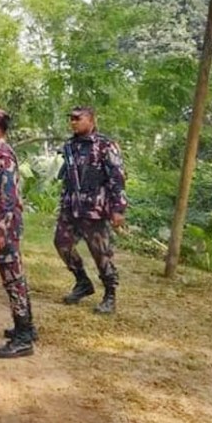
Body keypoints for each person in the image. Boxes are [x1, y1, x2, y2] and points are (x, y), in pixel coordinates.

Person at [54, 106, 127, 314]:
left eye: (78, 118)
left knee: (100, 253)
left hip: (94, 209)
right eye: (71, 118)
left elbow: (117, 177)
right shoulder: (70, 146)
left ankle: (110, 294)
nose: (73, 122)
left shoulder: (105, 145)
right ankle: (83, 283)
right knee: (62, 243)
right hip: (71, 207)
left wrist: (118, 208)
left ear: (91, 120)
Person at [0, 109, 36, 359]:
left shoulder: (2, 156)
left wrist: (0, 230)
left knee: (13, 279)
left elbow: (9, 197)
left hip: (5, 229)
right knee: (14, 278)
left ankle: (23, 339)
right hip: (0, 227)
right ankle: (26, 328)